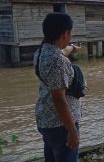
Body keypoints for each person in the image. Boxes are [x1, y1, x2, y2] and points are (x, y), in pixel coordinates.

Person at [34, 13, 80, 162]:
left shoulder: (41, 52)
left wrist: (71, 48)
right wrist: (72, 131)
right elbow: (59, 100)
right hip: (61, 125)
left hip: (46, 120)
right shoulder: (59, 62)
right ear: (65, 33)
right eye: (70, 33)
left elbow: (62, 52)